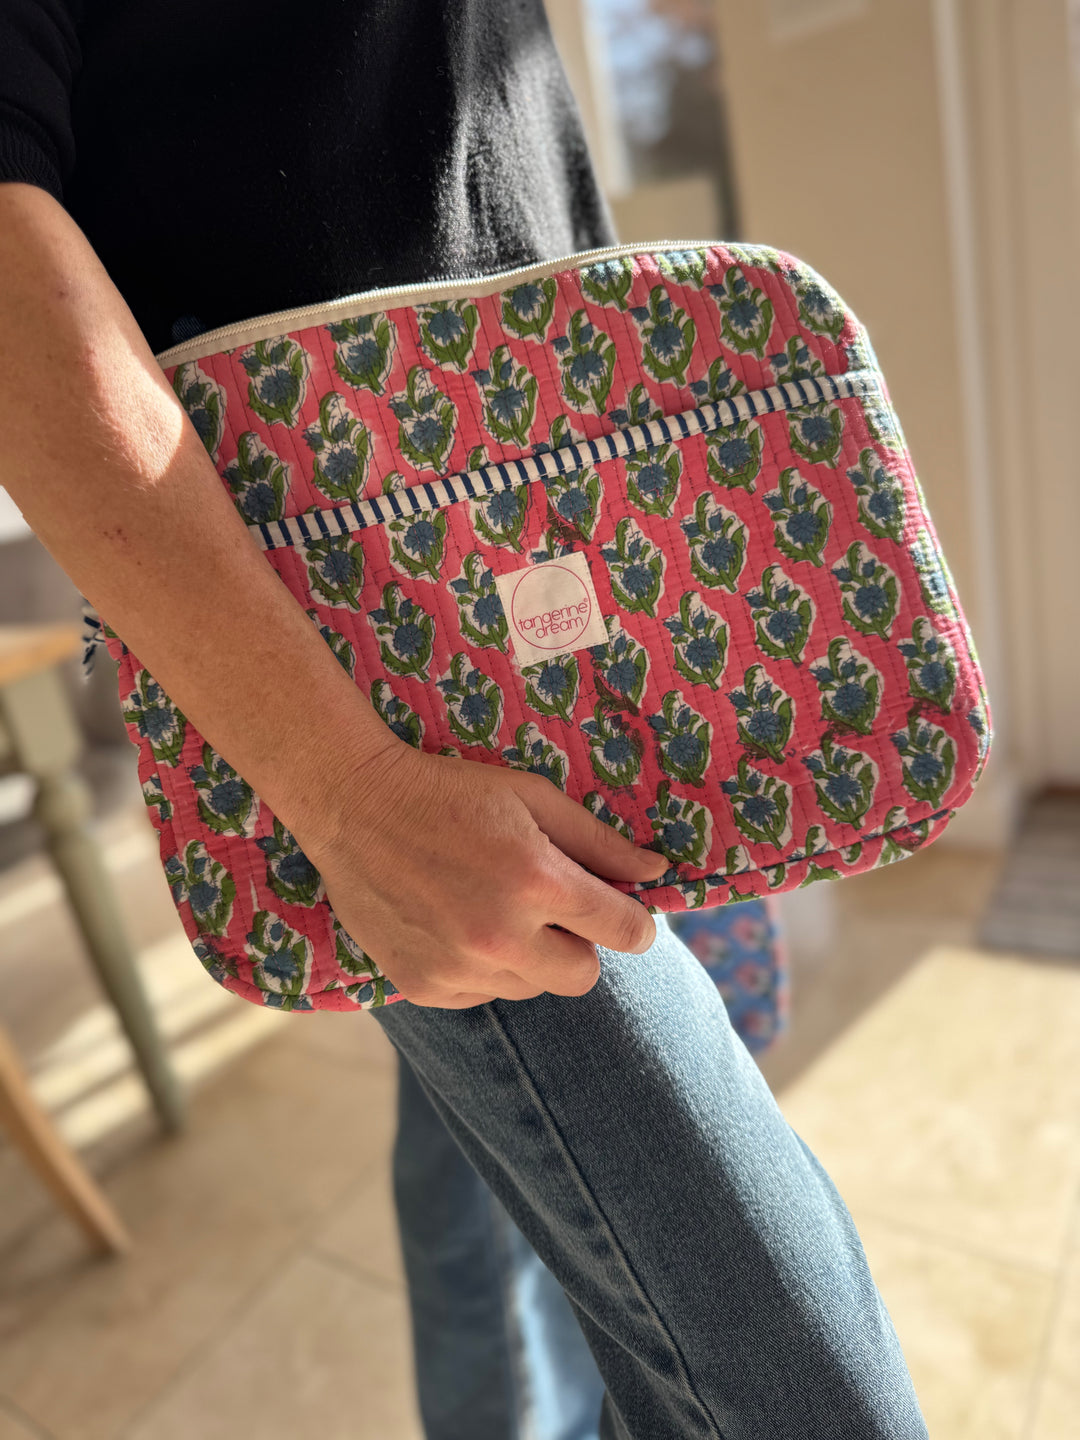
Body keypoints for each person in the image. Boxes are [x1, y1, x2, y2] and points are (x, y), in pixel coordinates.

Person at [0, 4, 930, 1436]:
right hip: (363, 598)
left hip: (547, 490)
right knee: (796, 1389)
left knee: (496, 1157)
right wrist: (349, 780)